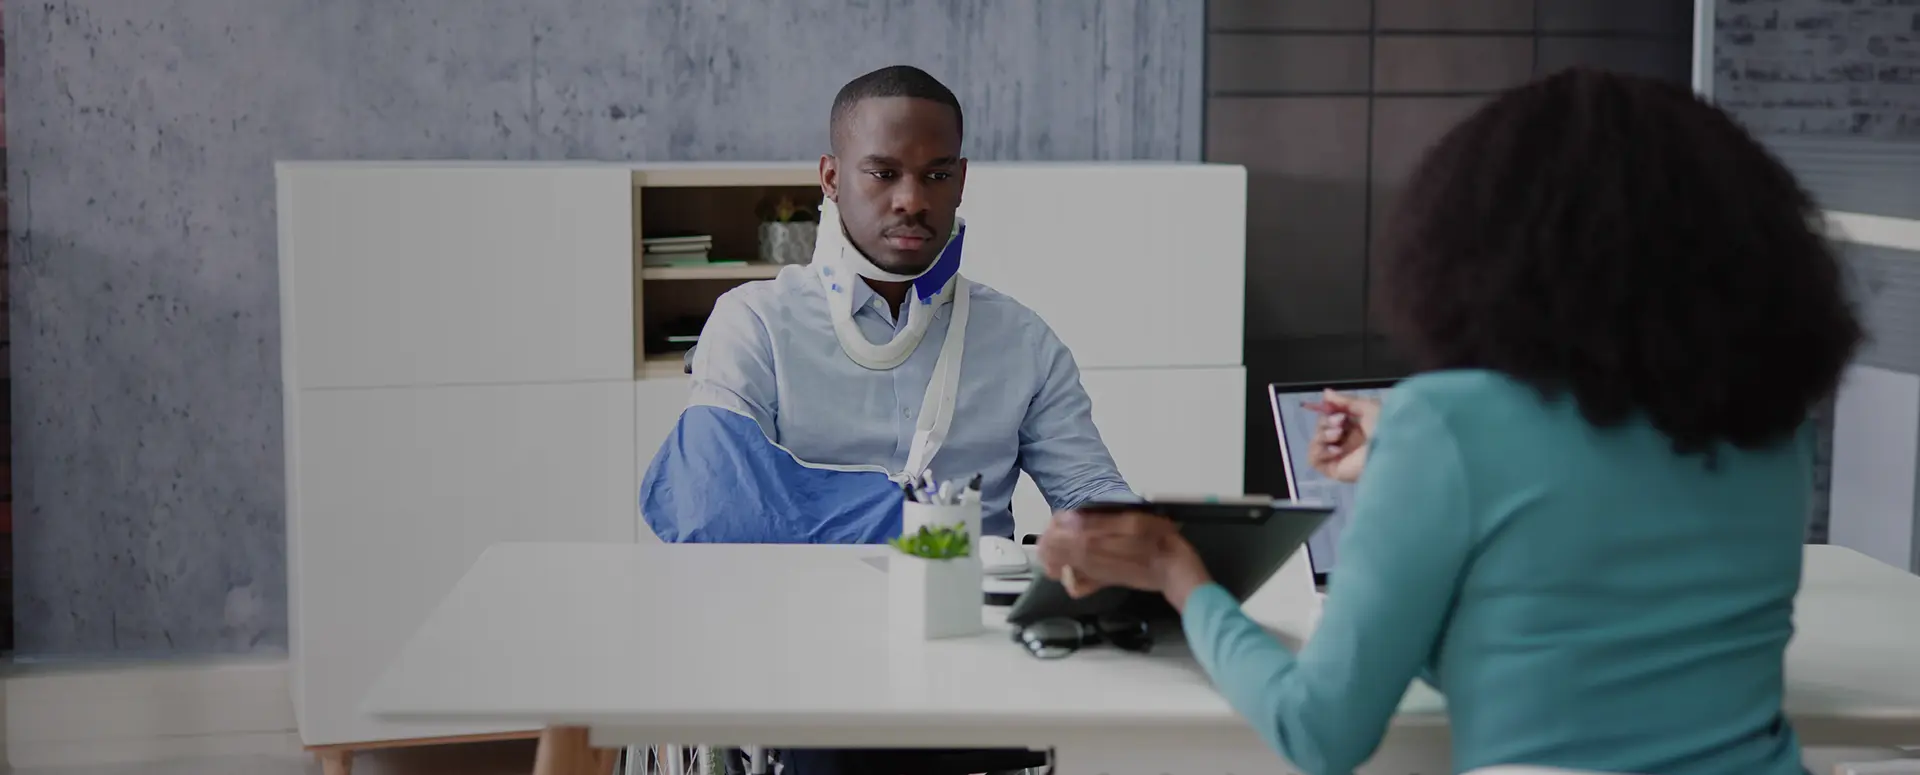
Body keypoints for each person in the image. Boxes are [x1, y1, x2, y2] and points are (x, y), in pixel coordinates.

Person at [1037, 68, 1862, 775]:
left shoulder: (1450, 422)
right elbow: (1557, 632)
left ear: (1493, 246)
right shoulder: (1774, 425)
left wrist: (1178, 572)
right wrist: (1411, 464)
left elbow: (1318, 729)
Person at [640, 65, 1132, 775]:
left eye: (936, 175)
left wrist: (1147, 542)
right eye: (883, 173)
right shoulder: (754, 323)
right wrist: (918, 530)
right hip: (807, 658)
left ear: (962, 180)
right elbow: (707, 505)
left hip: (975, 654)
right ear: (831, 177)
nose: (912, 199)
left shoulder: (1022, 340)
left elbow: (1091, 495)